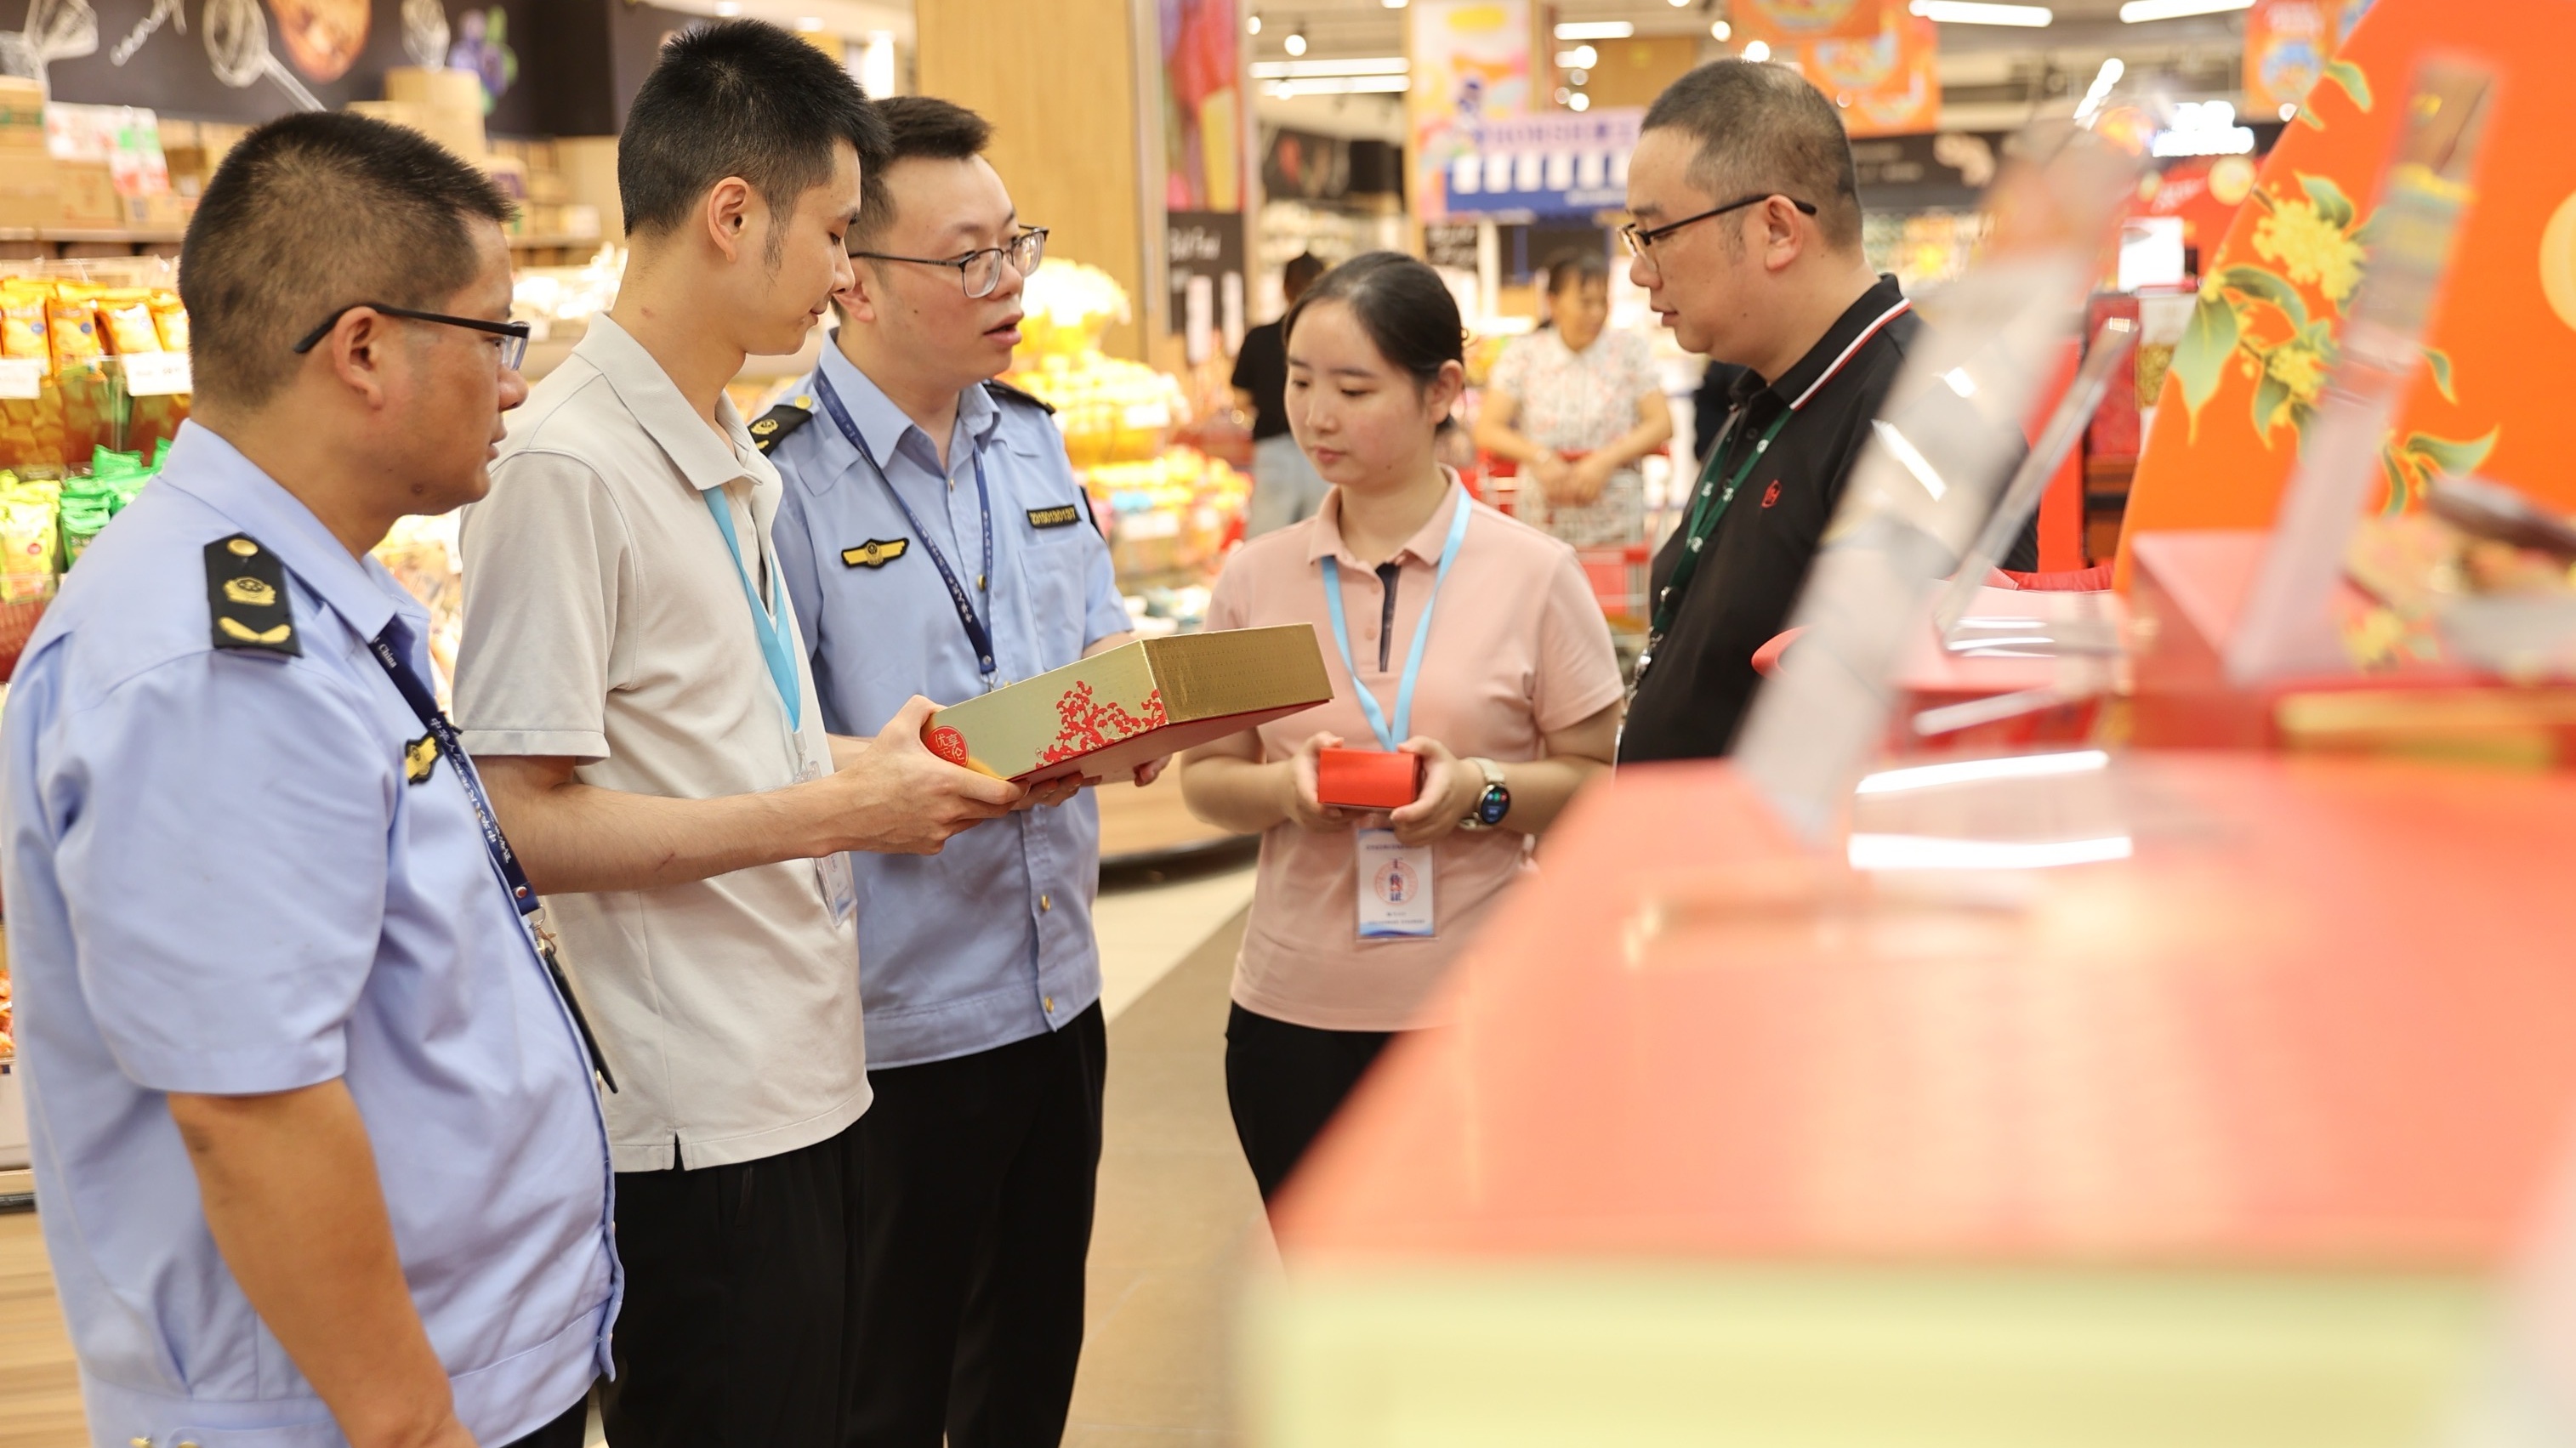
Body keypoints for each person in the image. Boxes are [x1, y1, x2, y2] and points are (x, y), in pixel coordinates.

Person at [0, 112, 614, 1448]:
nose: (517, 385)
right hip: (353, 1412)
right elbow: (251, 1108)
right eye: (495, 335)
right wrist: (415, 1422)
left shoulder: (295, 596)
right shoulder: (214, 662)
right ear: (365, 350)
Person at [452, 23, 1021, 1445]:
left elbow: (720, 742)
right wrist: (843, 810)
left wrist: (875, 762)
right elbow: (521, 816)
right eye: (832, 232)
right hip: (694, 1122)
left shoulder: (717, 439)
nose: (844, 273)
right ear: (729, 214)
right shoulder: (565, 465)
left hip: (804, 1072)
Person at [759, 95, 1146, 1448]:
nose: (1008, 283)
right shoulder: (778, 484)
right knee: (889, 1385)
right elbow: (761, 748)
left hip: (1058, 987)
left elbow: (1100, 632)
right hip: (898, 1023)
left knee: (1028, 1365)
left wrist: (1132, 706)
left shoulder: (1030, 436)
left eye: (1015, 245)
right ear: (854, 280)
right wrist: (903, 774)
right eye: (968, 257)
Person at [1178, 253, 1625, 1201]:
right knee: (1326, 1284)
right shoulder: (1254, 579)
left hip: (1485, 1008)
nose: (1316, 415)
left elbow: (1595, 780)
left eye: (1352, 389)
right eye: (1300, 381)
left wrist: (1478, 792)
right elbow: (1207, 777)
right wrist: (1284, 790)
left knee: (1474, 1282)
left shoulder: (1533, 573)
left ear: (1441, 391)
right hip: (1292, 1016)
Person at [1616, 60, 2033, 764]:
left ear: (1777, 229)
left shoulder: (1919, 424)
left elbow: (1940, 742)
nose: (1638, 268)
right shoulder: (1769, 389)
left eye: (1656, 234)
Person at [1472, 247, 1674, 546]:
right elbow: (1488, 429)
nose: (1596, 313)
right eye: (1585, 302)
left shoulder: (1629, 351)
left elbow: (1661, 424)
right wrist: (1540, 458)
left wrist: (1605, 460)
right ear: (1553, 303)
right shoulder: (1524, 354)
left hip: (1616, 519)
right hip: (1543, 518)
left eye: (1602, 301)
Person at [1233, 251, 1330, 536]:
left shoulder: (1259, 337)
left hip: (1273, 449)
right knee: (1319, 536)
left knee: (1267, 538)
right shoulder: (1336, 340)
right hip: (1324, 447)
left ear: (1284, 287)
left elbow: (1240, 397)